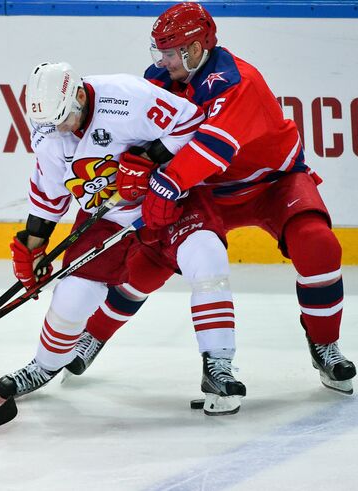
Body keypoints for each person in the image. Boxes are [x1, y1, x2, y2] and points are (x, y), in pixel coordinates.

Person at [67, 2, 355, 396]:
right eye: (160, 52)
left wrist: (162, 182)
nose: (162, 61)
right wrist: (134, 163)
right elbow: (139, 133)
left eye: (170, 53)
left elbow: (211, 149)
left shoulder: (239, 82)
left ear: (197, 48)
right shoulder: (160, 78)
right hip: (206, 191)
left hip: (272, 183)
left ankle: (324, 343)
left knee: (318, 245)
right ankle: (93, 335)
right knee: (150, 264)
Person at [0, 61, 246, 415]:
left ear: (79, 95)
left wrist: (147, 158)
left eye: (64, 118)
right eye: (49, 123)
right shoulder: (50, 130)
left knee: (207, 260)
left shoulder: (127, 96)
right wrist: (33, 248)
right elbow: (50, 195)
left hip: (172, 198)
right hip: (109, 215)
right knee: (72, 295)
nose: (58, 130)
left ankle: (218, 364)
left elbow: (191, 122)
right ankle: (44, 365)